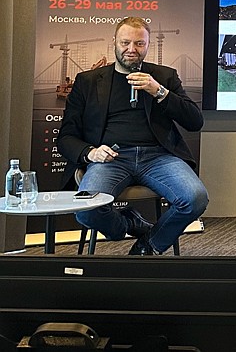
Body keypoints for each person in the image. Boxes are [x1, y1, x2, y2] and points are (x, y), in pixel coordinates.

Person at [58, 17, 208, 255]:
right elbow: (66, 136)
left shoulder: (164, 76)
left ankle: (148, 245)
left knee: (195, 198)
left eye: (139, 44)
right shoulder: (87, 81)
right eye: (125, 42)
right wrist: (91, 153)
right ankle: (129, 224)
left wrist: (159, 91)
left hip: (159, 157)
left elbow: (195, 122)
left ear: (147, 45)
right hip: (110, 159)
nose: (131, 49)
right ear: (114, 42)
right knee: (86, 210)